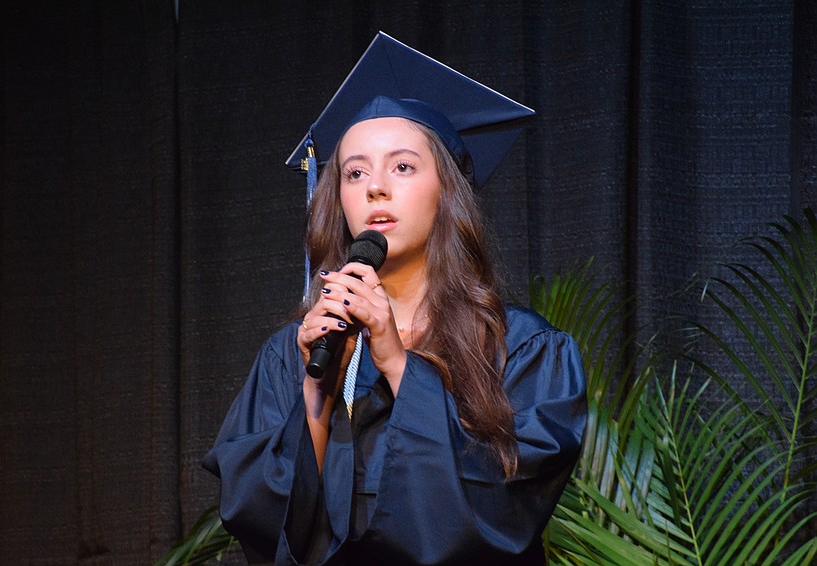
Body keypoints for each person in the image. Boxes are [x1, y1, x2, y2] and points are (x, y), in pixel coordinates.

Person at [203, 32, 587, 566]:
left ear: (446, 192)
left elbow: (505, 514)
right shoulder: (294, 353)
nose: (375, 188)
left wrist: (397, 363)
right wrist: (316, 401)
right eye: (355, 172)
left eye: (402, 167)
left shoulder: (520, 349)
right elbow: (264, 526)